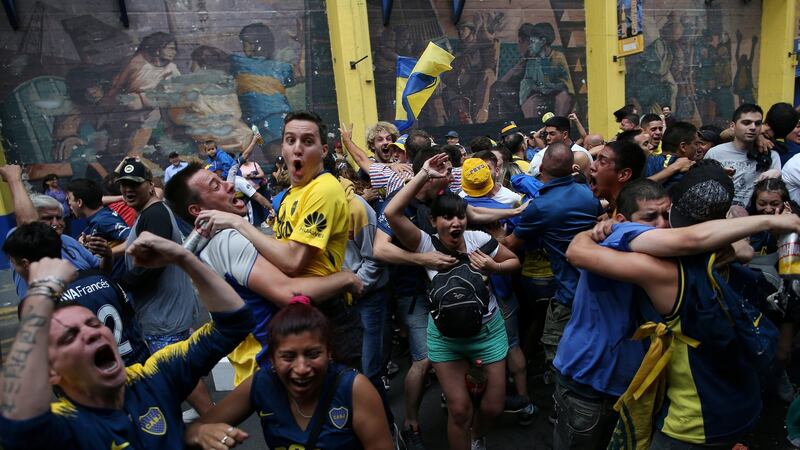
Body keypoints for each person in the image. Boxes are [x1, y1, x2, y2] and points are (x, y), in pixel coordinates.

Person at [565, 162, 799, 448]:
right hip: (595, 378)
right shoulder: (632, 238)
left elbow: (707, 243)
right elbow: (576, 252)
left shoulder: (699, 258)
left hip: (686, 408)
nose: (662, 225)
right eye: (651, 217)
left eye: (666, 215)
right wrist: (766, 224)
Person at [0, 232, 255, 450]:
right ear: (51, 372)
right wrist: (41, 295)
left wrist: (183, 257)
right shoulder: (64, 426)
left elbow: (234, 323)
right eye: (70, 336)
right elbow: (15, 420)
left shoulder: (152, 377)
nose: (91, 333)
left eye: (93, 324)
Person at [164, 161, 363, 383]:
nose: (229, 185)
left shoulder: (205, 244)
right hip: (273, 367)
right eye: (215, 186)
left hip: (257, 370)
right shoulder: (227, 240)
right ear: (197, 210)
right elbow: (290, 294)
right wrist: (345, 279)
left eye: (222, 179)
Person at [203, 111, 364, 369]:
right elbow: (283, 249)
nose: (297, 149)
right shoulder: (290, 195)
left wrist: (237, 222)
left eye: (307, 141)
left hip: (329, 310)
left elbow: (292, 261)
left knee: (349, 400)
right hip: (302, 306)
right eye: (290, 140)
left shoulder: (324, 188)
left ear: (323, 150)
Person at [384, 152, 520, 450]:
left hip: (487, 332)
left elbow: (514, 262)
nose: (455, 222)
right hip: (445, 338)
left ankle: (476, 437)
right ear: (433, 221)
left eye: (460, 215)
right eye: (447, 216)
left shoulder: (479, 240)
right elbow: (393, 213)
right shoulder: (423, 243)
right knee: (459, 410)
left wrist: (493, 267)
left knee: (494, 407)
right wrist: (422, 173)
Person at [185, 299, 393, 450]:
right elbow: (193, 431)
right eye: (288, 356)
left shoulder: (355, 389)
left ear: (329, 353)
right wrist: (200, 434)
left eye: (313, 354)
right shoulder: (262, 384)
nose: (301, 367)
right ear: (272, 359)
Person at [115, 158, 212, 417]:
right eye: (123, 185)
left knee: (176, 368)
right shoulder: (150, 213)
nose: (128, 190)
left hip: (164, 314)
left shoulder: (155, 214)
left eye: (134, 184)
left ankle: (215, 418)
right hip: (166, 310)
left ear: (150, 185)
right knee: (177, 367)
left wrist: (120, 286)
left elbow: (153, 264)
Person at [501, 143, 602, 386]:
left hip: (567, 291)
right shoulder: (588, 194)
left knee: (556, 349)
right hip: (597, 285)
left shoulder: (541, 205)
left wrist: (489, 235)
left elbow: (511, 244)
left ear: (542, 167)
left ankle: (566, 405)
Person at [3, 222, 150, 367]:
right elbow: (134, 324)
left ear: (25, 264)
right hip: (139, 369)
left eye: (12, 262)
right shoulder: (101, 278)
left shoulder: (36, 306)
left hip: (92, 385)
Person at [0, 165, 110, 299]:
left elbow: (101, 270)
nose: (55, 223)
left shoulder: (68, 241)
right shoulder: (21, 240)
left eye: (58, 218)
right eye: (47, 218)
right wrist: (14, 180)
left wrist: (107, 254)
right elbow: (29, 226)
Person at [705, 103, 781, 207]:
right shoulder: (715, 153)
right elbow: (702, 188)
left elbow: (775, 195)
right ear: (733, 126)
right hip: (718, 216)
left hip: (753, 218)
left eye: (758, 123)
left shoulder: (770, 155)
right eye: (746, 123)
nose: (753, 127)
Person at [66, 178, 131, 264]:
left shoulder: (104, 220)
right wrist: (92, 238)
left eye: (69, 199)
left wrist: (108, 253)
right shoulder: (100, 216)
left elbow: (133, 240)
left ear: (79, 202)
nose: (69, 204)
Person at [588, 140, 647, 214]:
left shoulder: (632, 219)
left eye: (602, 162)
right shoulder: (614, 212)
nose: (592, 166)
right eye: (596, 159)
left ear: (623, 175)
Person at [645, 121, 700, 187]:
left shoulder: (645, 162)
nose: (698, 148)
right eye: (696, 144)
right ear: (683, 147)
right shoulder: (687, 171)